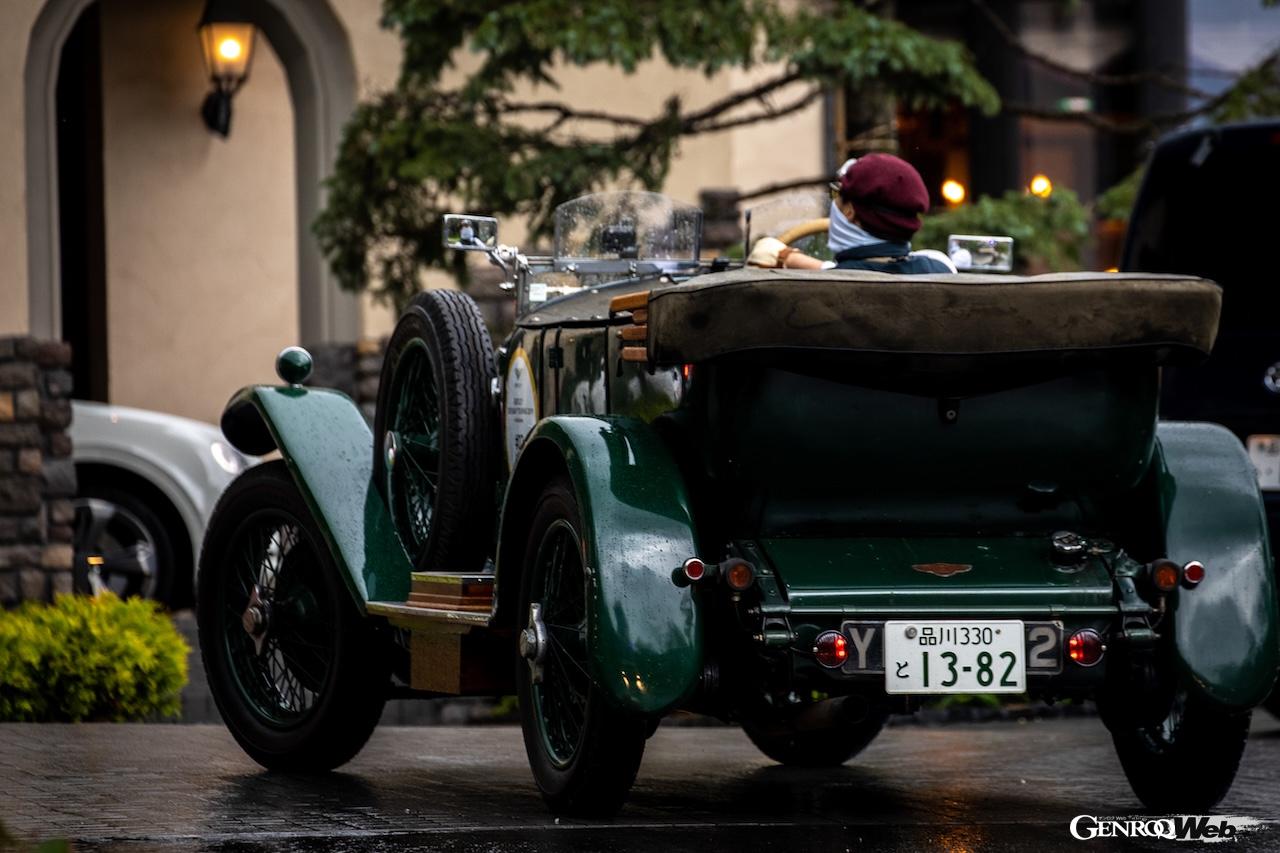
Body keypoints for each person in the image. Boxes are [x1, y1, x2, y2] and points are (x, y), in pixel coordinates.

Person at [748, 153, 955, 274]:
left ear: (849, 211)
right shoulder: (941, 269)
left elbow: (844, 272)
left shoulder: (814, 287)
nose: (833, 202)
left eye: (836, 194)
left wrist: (786, 258)